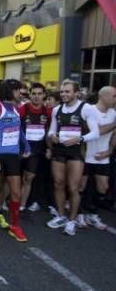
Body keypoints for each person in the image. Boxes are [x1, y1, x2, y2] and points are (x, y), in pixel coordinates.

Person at [46, 80, 99, 236]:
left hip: (76, 152)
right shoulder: (57, 110)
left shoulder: (86, 108)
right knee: (58, 184)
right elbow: (51, 130)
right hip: (59, 151)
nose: (63, 94)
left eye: (67, 91)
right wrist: (53, 136)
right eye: (62, 91)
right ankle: (62, 216)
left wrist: (79, 139)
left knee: (74, 188)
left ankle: (72, 220)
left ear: (77, 93)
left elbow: (95, 133)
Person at [0, 79, 31, 242]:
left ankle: (15, 226)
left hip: (13, 156)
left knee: (15, 192)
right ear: (11, 92)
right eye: (18, 90)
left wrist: (26, 146)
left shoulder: (17, 109)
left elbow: (19, 131)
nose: (21, 94)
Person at [78, 86, 116, 230]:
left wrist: (110, 151)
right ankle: (79, 214)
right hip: (85, 156)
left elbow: (114, 135)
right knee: (81, 186)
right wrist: (114, 124)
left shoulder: (113, 113)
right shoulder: (89, 110)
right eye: (114, 96)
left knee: (103, 187)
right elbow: (96, 132)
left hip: (103, 157)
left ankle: (92, 214)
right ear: (104, 96)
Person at [19, 83, 51, 212]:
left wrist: (49, 148)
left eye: (39, 94)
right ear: (30, 95)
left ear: (44, 95)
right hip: (21, 148)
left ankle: (22, 205)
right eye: (34, 94)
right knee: (15, 177)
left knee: (29, 177)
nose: (36, 97)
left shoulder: (48, 112)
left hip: (38, 150)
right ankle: (9, 201)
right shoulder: (22, 109)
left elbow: (49, 130)